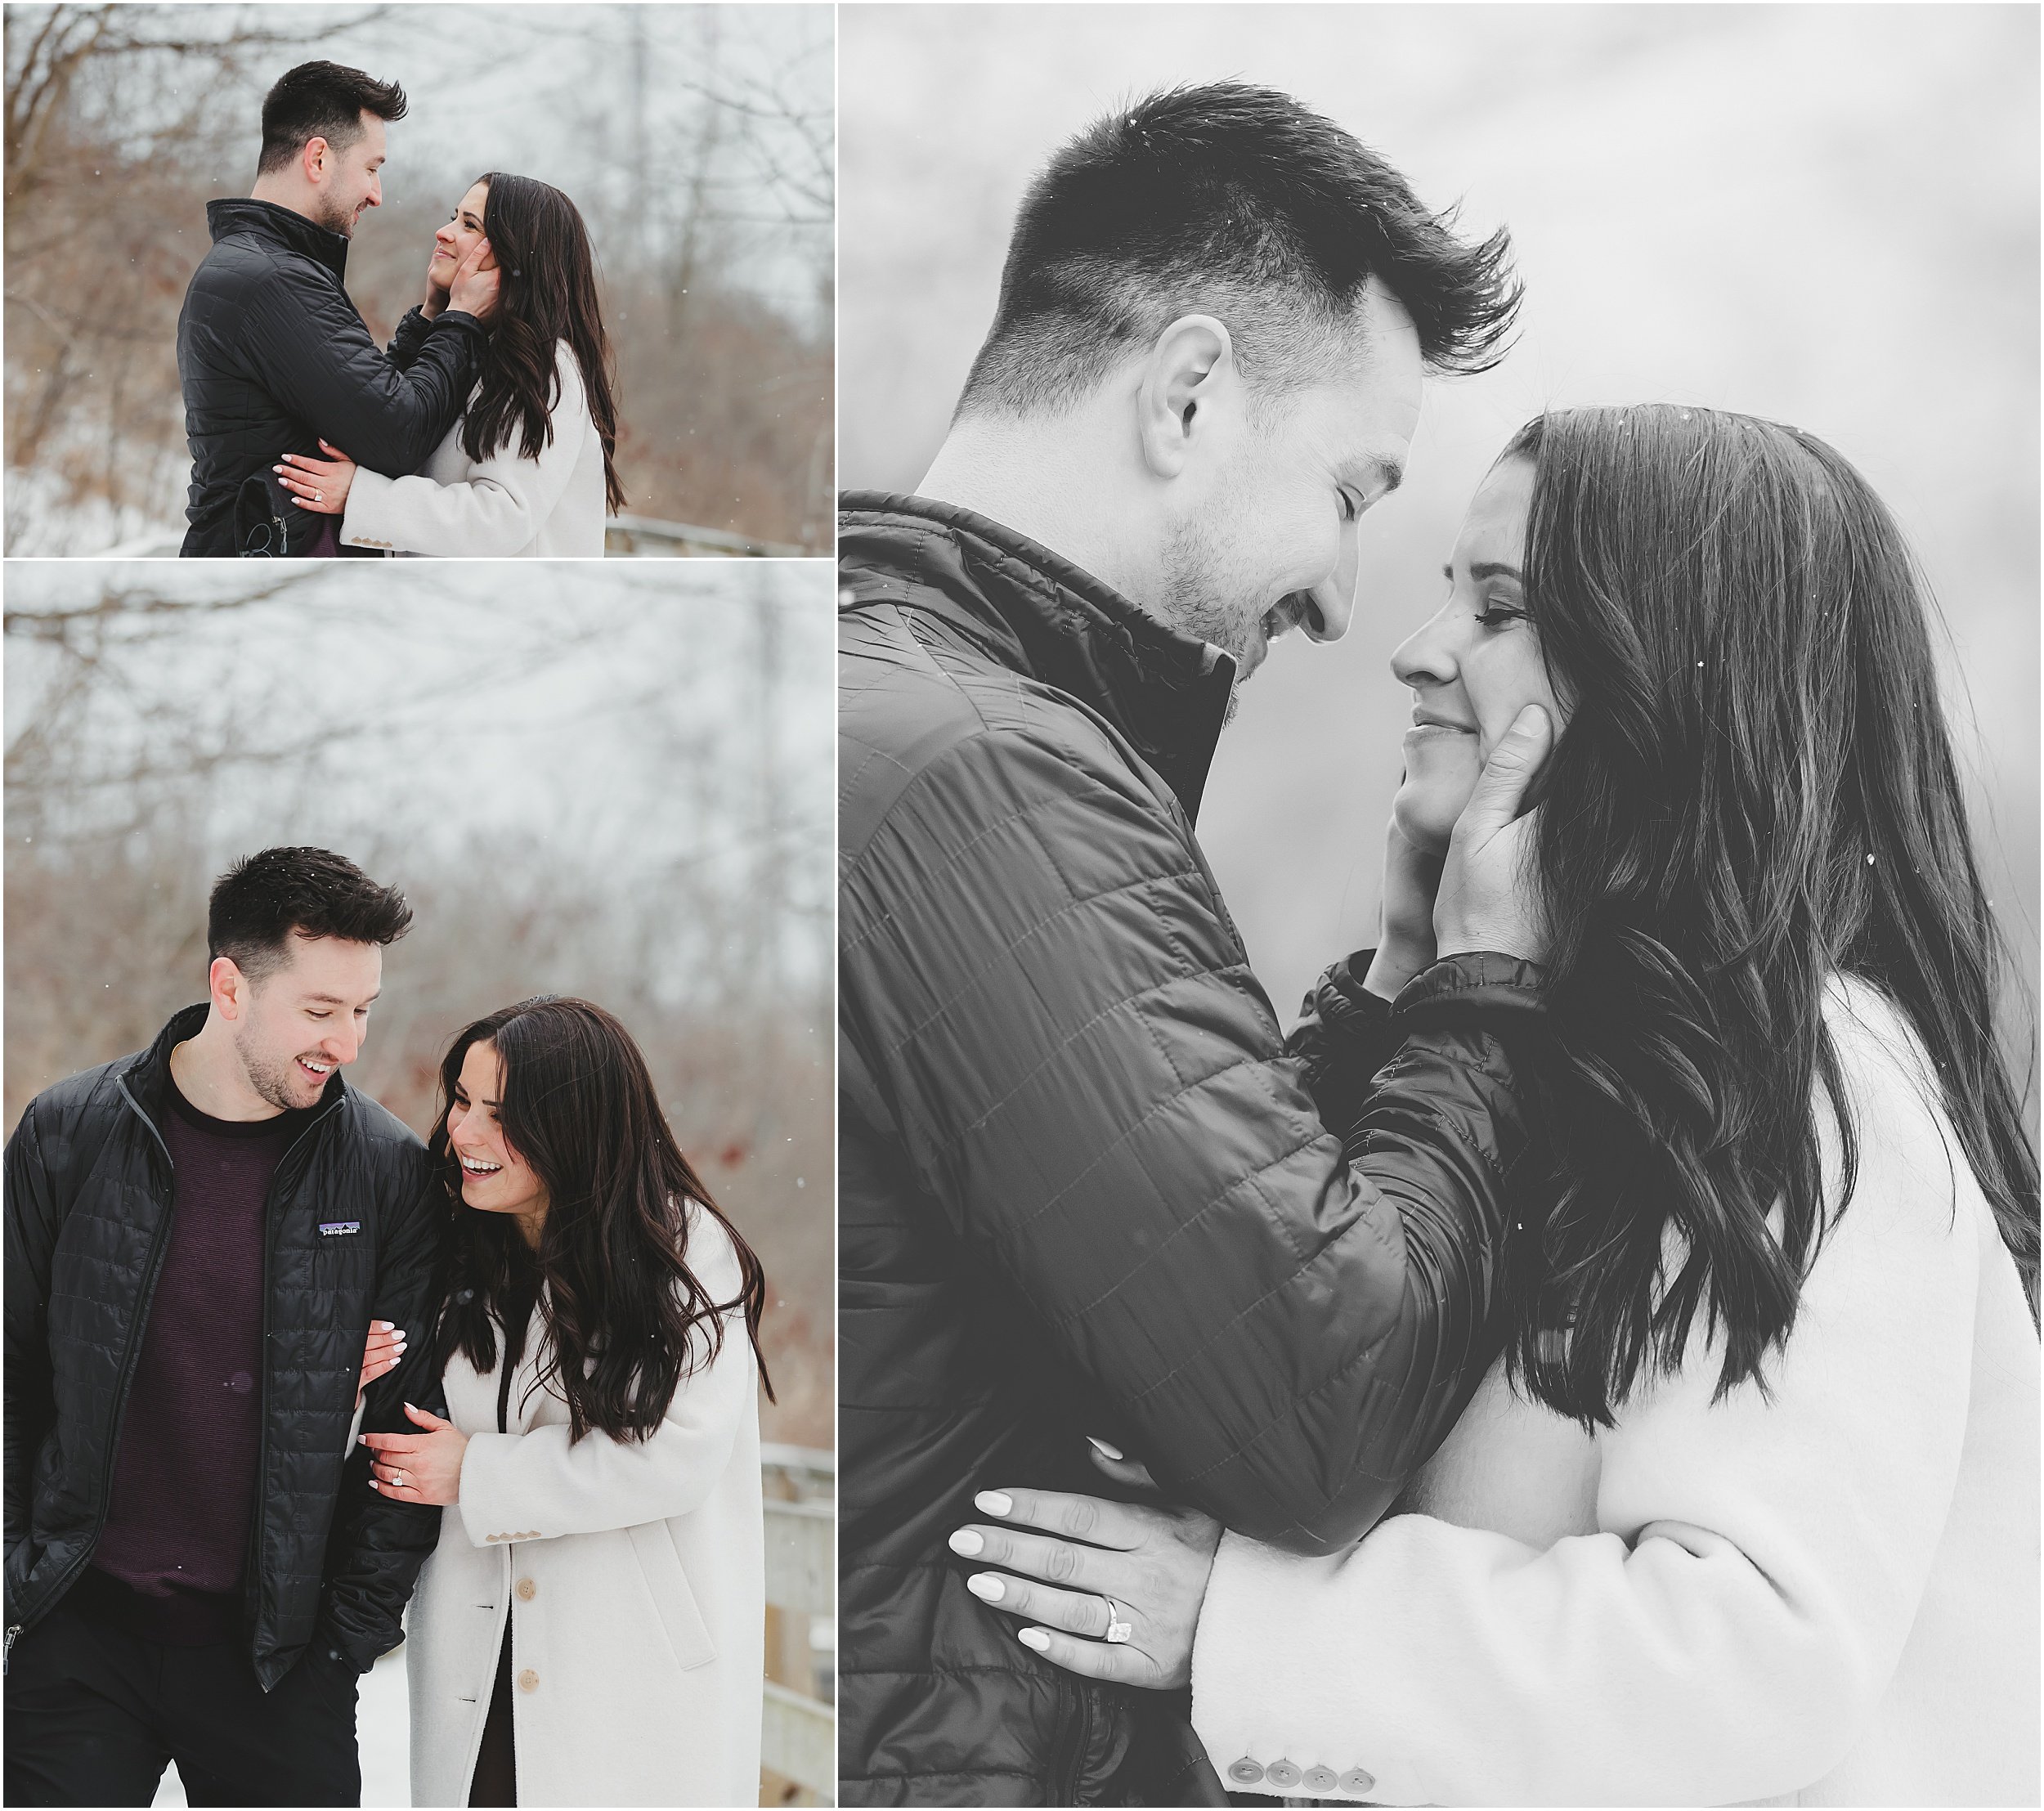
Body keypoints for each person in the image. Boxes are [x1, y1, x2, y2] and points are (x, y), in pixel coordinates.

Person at [953, 406, 2042, 1807]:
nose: (1416, 647)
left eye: (1500, 606)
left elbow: (1749, 1659)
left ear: (1671, 672)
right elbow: (1306, 1356)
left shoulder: (1815, 1076)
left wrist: (1247, 1626)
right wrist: (1413, 988)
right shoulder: (1567, 1049)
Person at [838, 80, 1549, 1804]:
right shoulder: (977, 777)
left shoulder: (864, 703)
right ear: (1185, 392)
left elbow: (1149, 1267)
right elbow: (1314, 1402)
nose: (1334, 592)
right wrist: (1485, 996)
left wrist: (1381, 993)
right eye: (1350, 488)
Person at [3, 847, 446, 1806]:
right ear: (229, 986)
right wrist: (17, 1573)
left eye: (363, 1010)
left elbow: (405, 1431)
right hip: (80, 1641)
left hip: (278, 1658)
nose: (348, 1043)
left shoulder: (387, 1176)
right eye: (321, 1011)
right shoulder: (67, 1134)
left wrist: (345, 1637)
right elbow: (12, 1369)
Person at [362, 998, 769, 1807]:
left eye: (502, 1115)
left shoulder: (683, 1251)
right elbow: (394, 1411)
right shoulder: (451, 1249)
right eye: (463, 1101)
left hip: (629, 1664)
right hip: (476, 1659)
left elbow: (673, 1456)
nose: (465, 1134)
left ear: (573, 1126)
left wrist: (477, 1472)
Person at [177, 61, 502, 556]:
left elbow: (358, 411)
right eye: (372, 169)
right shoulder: (273, 280)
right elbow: (397, 434)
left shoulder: (258, 267)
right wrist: (463, 322)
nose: (376, 194)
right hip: (271, 571)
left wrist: (433, 317)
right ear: (318, 159)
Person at [273, 173, 625, 556]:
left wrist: (361, 495)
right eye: (454, 217)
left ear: (514, 255)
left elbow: (500, 518)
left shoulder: (546, 365)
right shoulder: (470, 349)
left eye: (469, 225)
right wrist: (433, 316)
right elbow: (398, 432)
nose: (443, 232)